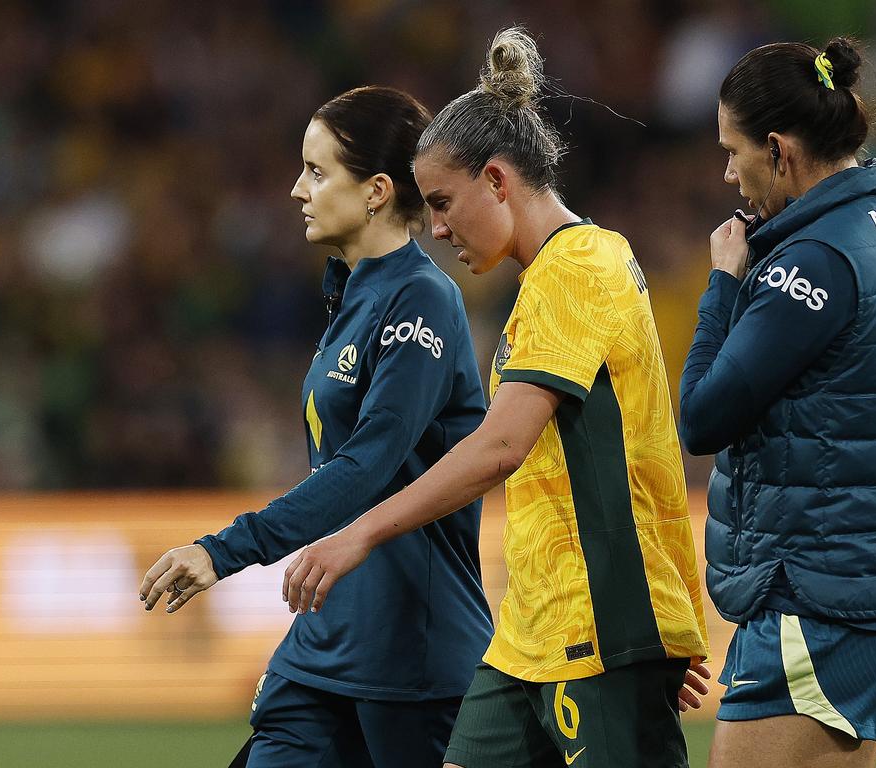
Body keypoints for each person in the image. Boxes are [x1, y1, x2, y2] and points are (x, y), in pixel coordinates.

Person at [280, 28, 711, 768]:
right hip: (532, 629)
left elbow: (502, 446)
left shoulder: (578, 268)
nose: (438, 228)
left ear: (499, 181)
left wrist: (357, 532)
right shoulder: (547, 279)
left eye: (444, 203)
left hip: (597, 623)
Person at [137, 86, 494, 768]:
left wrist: (225, 550)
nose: (296, 189)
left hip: (409, 655)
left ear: (377, 191)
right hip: (324, 643)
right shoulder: (349, 297)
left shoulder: (422, 299)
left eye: (317, 171)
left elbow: (367, 464)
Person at [677, 39, 876, 768]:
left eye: (734, 153)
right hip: (868, 583)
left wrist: (725, 283)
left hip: (815, 593)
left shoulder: (812, 262)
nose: (729, 174)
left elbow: (700, 417)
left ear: (779, 149)